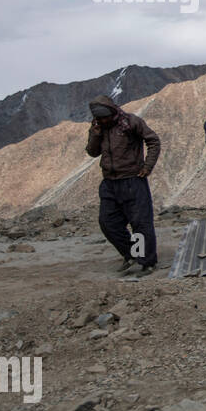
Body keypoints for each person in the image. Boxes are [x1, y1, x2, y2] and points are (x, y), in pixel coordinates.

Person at [85, 94, 161, 276]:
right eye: (100, 118)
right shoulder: (98, 127)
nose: (103, 120)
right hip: (109, 182)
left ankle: (147, 262)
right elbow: (92, 152)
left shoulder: (131, 122)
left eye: (106, 117)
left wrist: (147, 166)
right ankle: (130, 253)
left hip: (132, 180)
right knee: (107, 222)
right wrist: (95, 135)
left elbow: (153, 141)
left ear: (112, 111)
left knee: (140, 223)